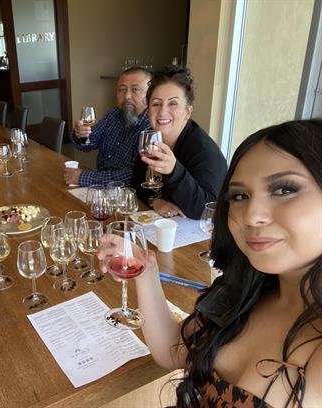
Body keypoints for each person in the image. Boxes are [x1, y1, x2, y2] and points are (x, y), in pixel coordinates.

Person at [99, 119, 322, 407]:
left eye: (284, 190)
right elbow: (172, 351)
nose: (251, 215)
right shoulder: (243, 288)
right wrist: (146, 271)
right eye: (240, 196)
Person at [131, 66, 227, 219]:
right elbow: (137, 183)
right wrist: (154, 201)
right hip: (161, 224)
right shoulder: (151, 139)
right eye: (156, 104)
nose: (162, 111)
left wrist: (173, 170)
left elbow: (207, 210)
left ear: (188, 112)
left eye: (173, 103)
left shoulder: (204, 152)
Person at [65, 67, 152, 187]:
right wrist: (80, 135)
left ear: (150, 95)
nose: (127, 96)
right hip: (101, 188)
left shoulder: (151, 127)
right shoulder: (115, 113)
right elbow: (89, 143)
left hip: (129, 193)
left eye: (135, 89)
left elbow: (135, 175)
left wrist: (83, 177)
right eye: (121, 90)